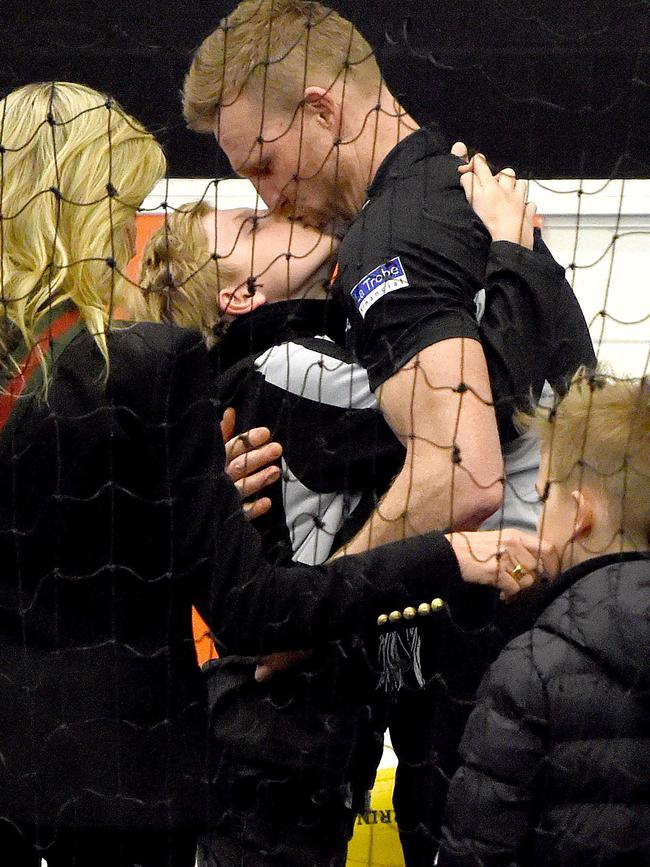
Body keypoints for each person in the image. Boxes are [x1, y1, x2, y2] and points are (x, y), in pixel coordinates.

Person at [0, 80, 554, 867]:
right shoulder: (193, 368)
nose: (280, 208)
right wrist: (513, 266)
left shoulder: (98, 371)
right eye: (256, 219)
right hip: (157, 772)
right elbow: (465, 425)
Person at [182, 3, 596, 860]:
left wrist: (310, 608)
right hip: (571, 670)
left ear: (323, 110)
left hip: (492, 711)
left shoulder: (390, 238)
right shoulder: (461, 199)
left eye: (264, 164)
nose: (270, 194)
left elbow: (459, 469)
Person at [438, 368, 650, 866]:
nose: (535, 516)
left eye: (541, 497)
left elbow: (475, 852)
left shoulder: (533, 667)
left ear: (579, 516)